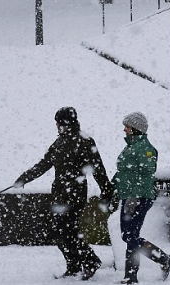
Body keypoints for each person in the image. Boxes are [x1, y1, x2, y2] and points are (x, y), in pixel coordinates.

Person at [13, 106, 115, 280]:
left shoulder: (85, 141)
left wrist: (107, 191)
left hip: (75, 194)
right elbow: (43, 164)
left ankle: (89, 261)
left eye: (58, 122)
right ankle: (74, 266)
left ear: (65, 123)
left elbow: (97, 168)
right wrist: (24, 178)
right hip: (60, 194)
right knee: (60, 231)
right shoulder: (59, 142)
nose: (57, 125)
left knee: (67, 231)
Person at [112, 111, 170, 284]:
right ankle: (164, 260)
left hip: (140, 197)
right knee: (128, 236)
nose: (124, 130)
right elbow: (124, 172)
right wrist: (113, 188)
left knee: (131, 236)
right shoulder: (130, 147)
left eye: (127, 126)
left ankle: (131, 276)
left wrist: (135, 196)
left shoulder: (146, 149)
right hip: (129, 196)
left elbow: (146, 173)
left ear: (136, 128)